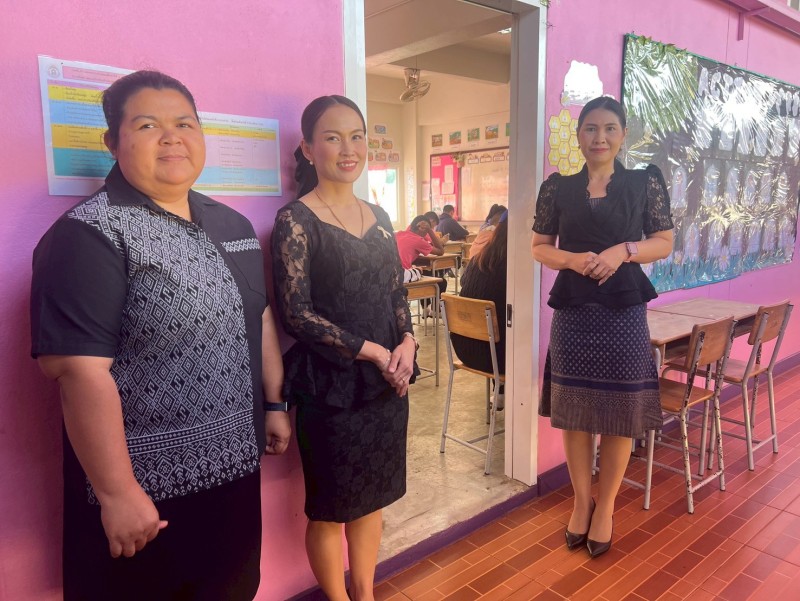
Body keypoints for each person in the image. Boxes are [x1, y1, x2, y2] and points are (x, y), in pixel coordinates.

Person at [30, 70, 290, 600]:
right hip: (146, 499)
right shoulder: (88, 234)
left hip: (234, 475)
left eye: (185, 124)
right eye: (148, 125)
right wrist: (117, 492)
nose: (172, 137)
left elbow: (258, 317)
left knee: (233, 589)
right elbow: (78, 372)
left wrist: (273, 404)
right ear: (112, 141)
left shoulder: (232, 225)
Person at [271, 95, 417, 601]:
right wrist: (373, 351)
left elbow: (395, 292)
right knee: (331, 508)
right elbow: (295, 314)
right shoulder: (295, 220)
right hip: (330, 386)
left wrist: (408, 342)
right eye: (333, 138)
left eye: (357, 136)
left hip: (385, 386)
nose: (348, 148)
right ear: (309, 149)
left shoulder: (378, 214)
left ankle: (366, 594)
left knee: (371, 499)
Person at [531, 96, 673, 559]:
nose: (600, 137)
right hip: (573, 312)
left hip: (623, 312)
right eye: (591, 128)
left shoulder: (643, 182)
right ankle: (581, 501)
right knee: (574, 414)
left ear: (623, 135)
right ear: (578, 136)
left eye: (610, 128)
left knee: (618, 415)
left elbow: (664, 242)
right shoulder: (557, 188)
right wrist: (572, 260)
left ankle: (606, 506)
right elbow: (538, 246)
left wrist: (622, 251)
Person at [450, 211, 508, 402]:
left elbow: (464, 284)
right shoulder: (516, 268)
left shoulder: (477, 260)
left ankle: (500, 390)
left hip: (466, 350)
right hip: (497, 358)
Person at [396, 215, 444, 284]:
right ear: (424, 229)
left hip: (393, 272)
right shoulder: (418, 240)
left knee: (425, 272)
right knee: (442, 283)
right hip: (403, 275)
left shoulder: (399, 234)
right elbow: (440, 251)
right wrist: (430, 231)